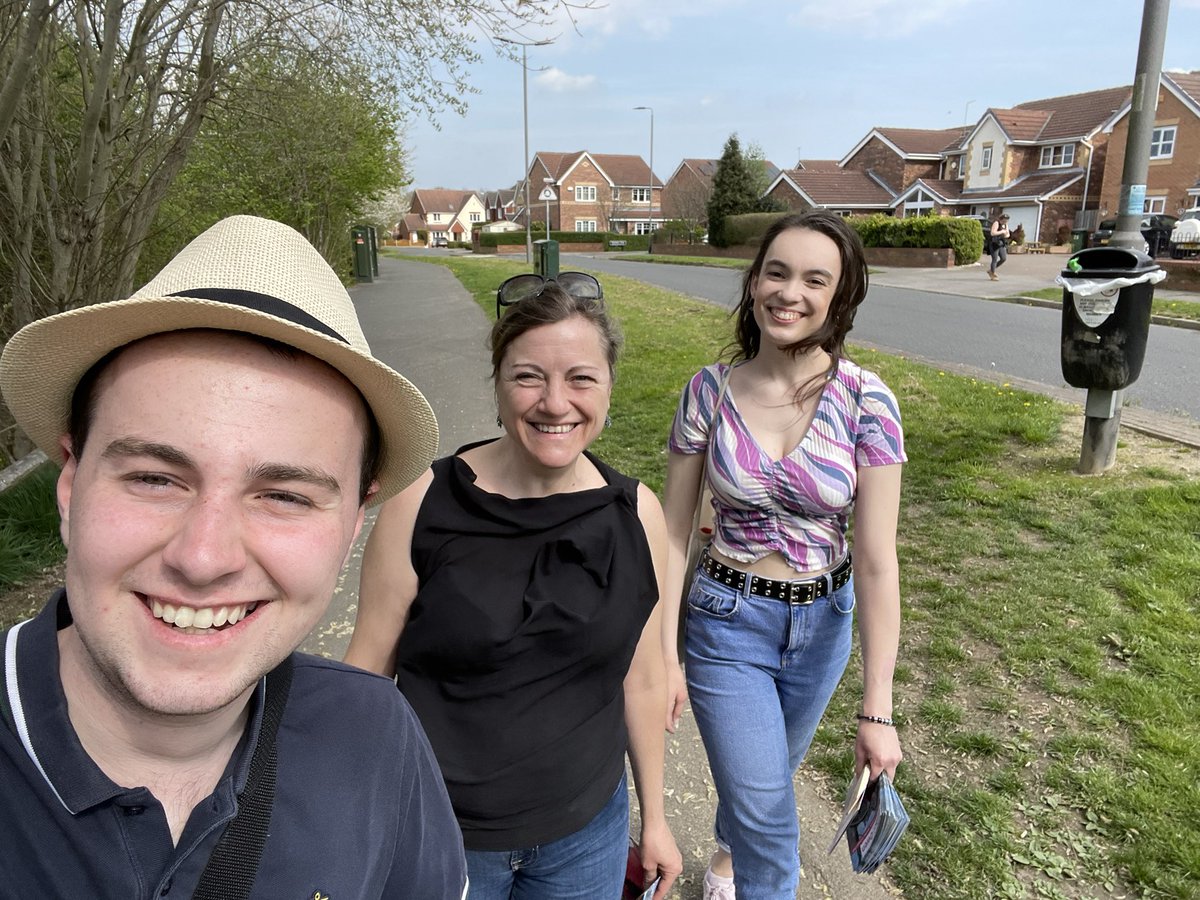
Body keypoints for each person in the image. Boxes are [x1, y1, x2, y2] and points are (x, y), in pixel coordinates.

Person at [0, 215, 468, 898]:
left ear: (350, 526)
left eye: (283, 495)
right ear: (70, 483)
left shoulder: (375, 736)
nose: (203, 557)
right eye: (154, 479)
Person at [345, 272, 682, 900]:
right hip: (441, 831)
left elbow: (642, 679)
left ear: (608, 388)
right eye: (529, 376)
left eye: (581, 378)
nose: (556, 403)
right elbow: (366, 673)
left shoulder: (637, 515)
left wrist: (655, 821)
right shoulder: (421, 503)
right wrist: (350, 816)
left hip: (585, 837)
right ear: (498, 386)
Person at [660, 210, 906, 899]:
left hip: (823, 624)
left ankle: (725, 860)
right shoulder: (708, 391)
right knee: (772, 822)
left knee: (767, 774)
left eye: (813, 279)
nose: (789, 292)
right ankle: (753, 871)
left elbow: (879, 559)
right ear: (753, 281)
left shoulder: (868, 401)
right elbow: (675, 531)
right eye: (776, 271)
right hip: (726, 619)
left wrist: (877, 710)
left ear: (839, 297)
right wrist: (662, 653)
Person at [989, 213, 1011, 280]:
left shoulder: (1006, 225)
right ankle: (992, 274)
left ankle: (991, 270)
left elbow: (1007, 235)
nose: (1006, 221)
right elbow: (992, 233)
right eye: (1005, 220)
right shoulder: (996, 223)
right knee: (994, 259)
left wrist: (1005, 234)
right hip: (994, 243)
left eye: (1007, 220)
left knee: (1003, 258)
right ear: (1001, 219)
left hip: (1001, 243)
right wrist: (1001, 232)